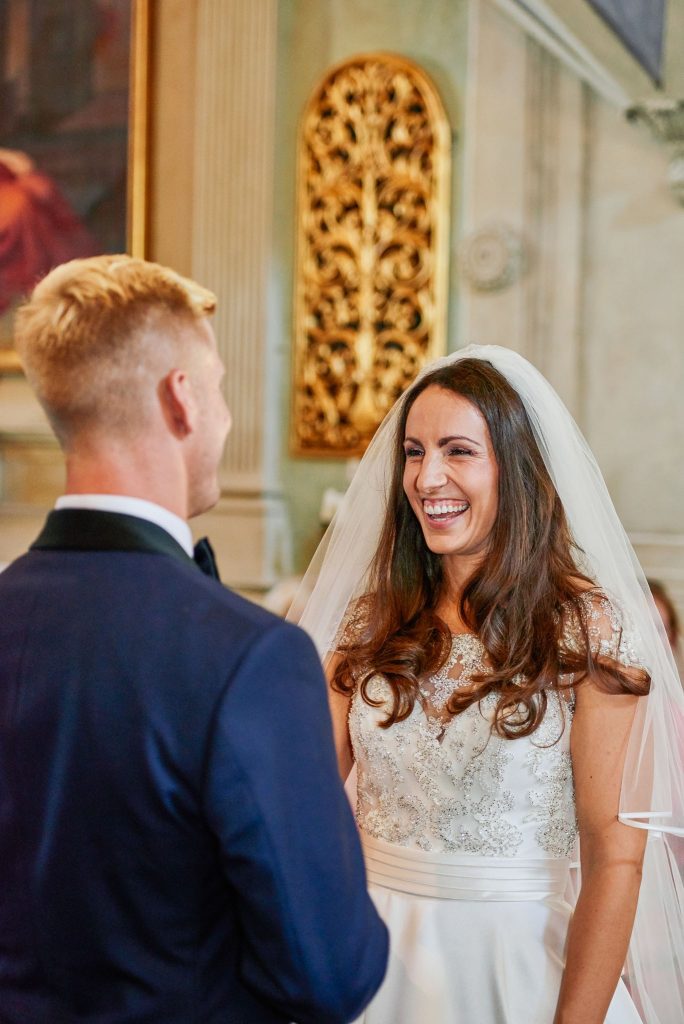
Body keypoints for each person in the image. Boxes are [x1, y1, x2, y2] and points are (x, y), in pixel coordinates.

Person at [0, 254, 388, 1023]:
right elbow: (330, 973)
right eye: (217, 386)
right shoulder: (249, 658)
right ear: (181, 399)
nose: (225, 415)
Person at [289, 345, 684, 1024]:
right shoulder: (370, 623)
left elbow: (616, 862)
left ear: (516, 470)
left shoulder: (589, 631)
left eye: (457, 450)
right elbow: (298, 808)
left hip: (522, 974)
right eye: (413, 452)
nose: (426, 476)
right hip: (371, 965)